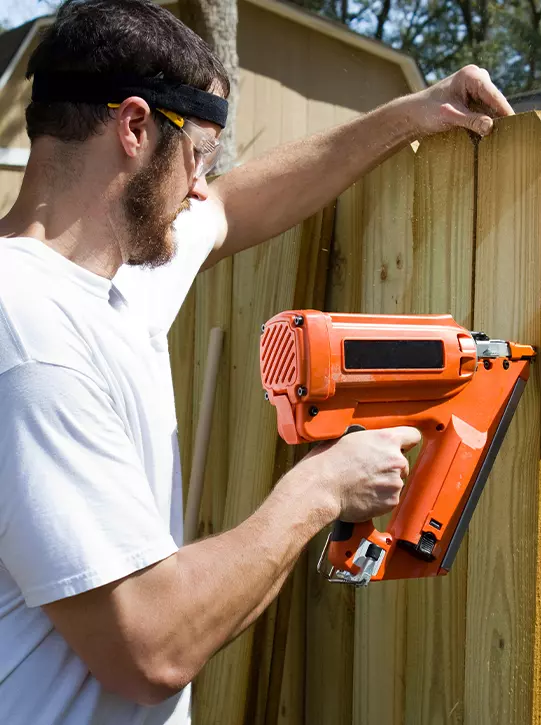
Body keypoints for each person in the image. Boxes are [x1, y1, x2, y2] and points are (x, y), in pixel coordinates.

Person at [0, 0, 514, 723]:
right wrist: (322, 487)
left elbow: (235, 208)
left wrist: (410, 113)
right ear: (136, 127)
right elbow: (151, 647)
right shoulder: (29, 337)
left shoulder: (112, 279)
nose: (201, 186)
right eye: (199, 157)